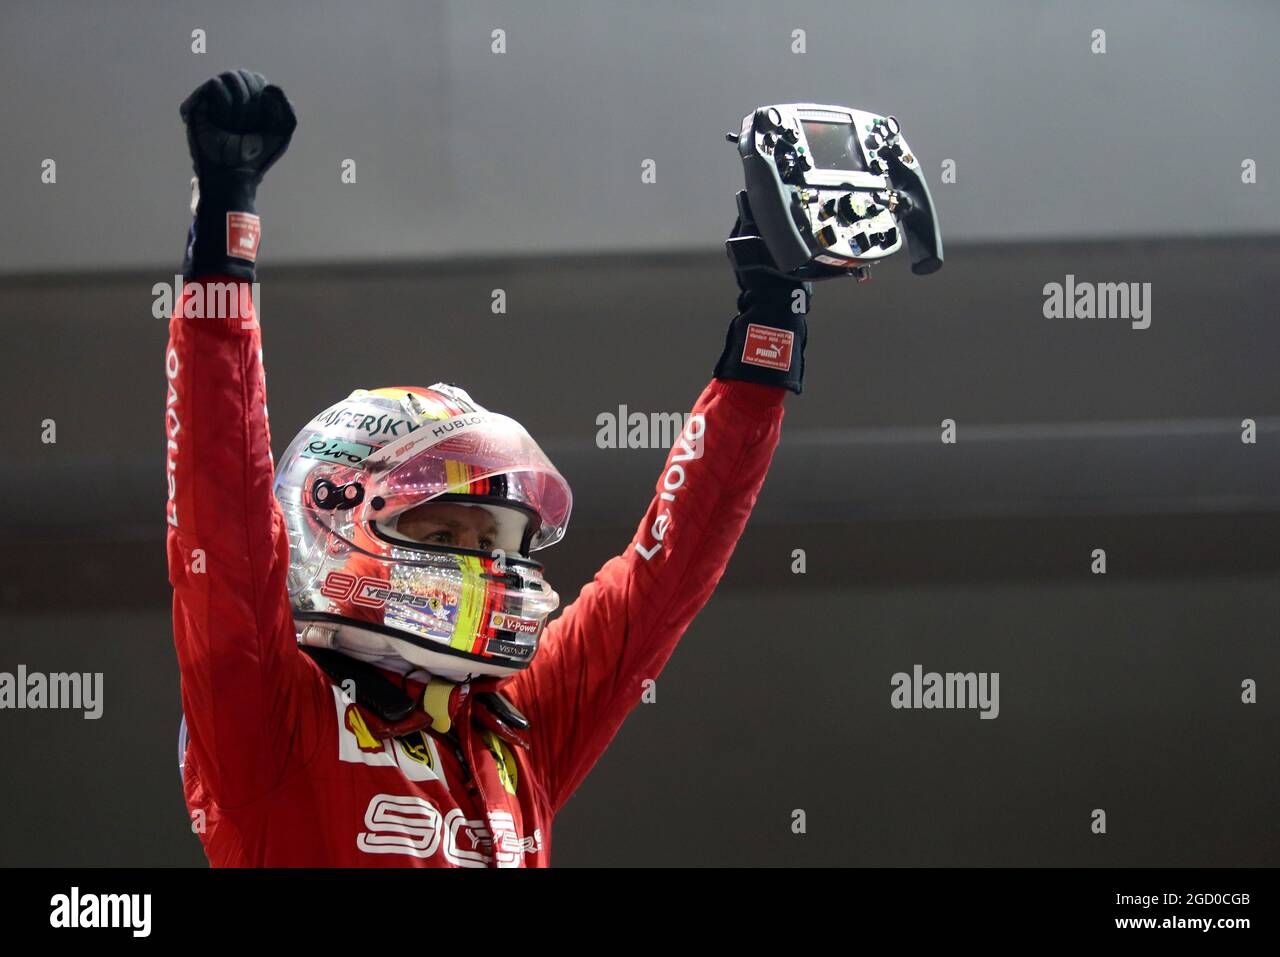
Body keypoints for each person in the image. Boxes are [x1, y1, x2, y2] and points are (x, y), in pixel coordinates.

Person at [166, 70, 810, 867]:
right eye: (446, 529)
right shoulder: (267, 717)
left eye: (495, 539)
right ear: (332, 520)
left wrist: (768, 325)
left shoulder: (518, 727)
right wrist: (225, 227)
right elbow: (223, 517)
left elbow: (665, 577)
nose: (485, 565)